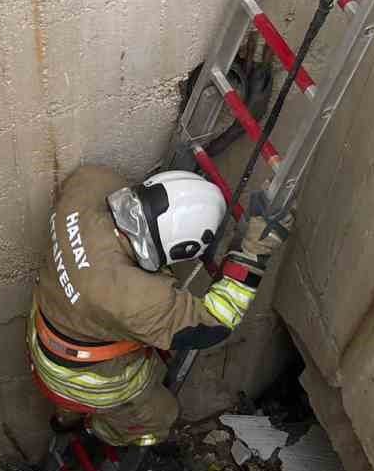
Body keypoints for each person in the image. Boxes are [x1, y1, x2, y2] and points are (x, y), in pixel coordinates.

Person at [27, 165, 287, 447]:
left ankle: (65, 416)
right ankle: (96, 427)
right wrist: (252, 255)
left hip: (41, 336)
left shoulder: (88, 184)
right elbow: (213, 322)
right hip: (90, 383)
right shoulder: (134, 297)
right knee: (161, 420)